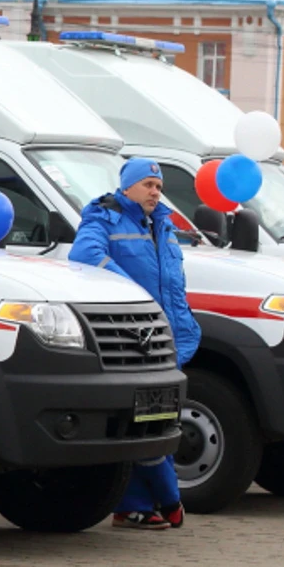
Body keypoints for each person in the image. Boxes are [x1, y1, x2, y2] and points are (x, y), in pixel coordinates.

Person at [70, 158, 202, 530]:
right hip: (134, 339)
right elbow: (85, 256)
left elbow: (173, 282)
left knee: (161, 420)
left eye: (158, 187)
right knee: (149, 423)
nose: (155, 192)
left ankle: (139, 506)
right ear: (127, 187)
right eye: (147, 185)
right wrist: (130, 292)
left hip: (170, 338)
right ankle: (165, 500)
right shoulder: (104, 218)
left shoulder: (163, 223)